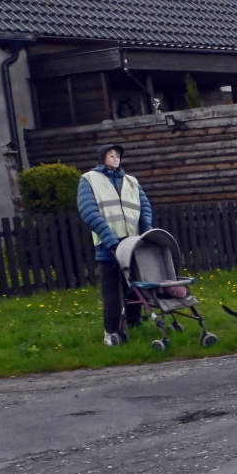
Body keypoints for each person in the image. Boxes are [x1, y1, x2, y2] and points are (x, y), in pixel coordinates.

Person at [77, 144, 153, 346]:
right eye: (111, 155)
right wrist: (109, 239)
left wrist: (146, 232)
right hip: (108, 247)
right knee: (112, 293)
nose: (116, 158)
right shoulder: (89, 180)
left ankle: (136, 328)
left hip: (132, 245)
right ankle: (112, 332)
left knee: (134, 288)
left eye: (118, 155)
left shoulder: (132, 181)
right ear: (102, 158)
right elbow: (89, 211)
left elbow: (144, 208)